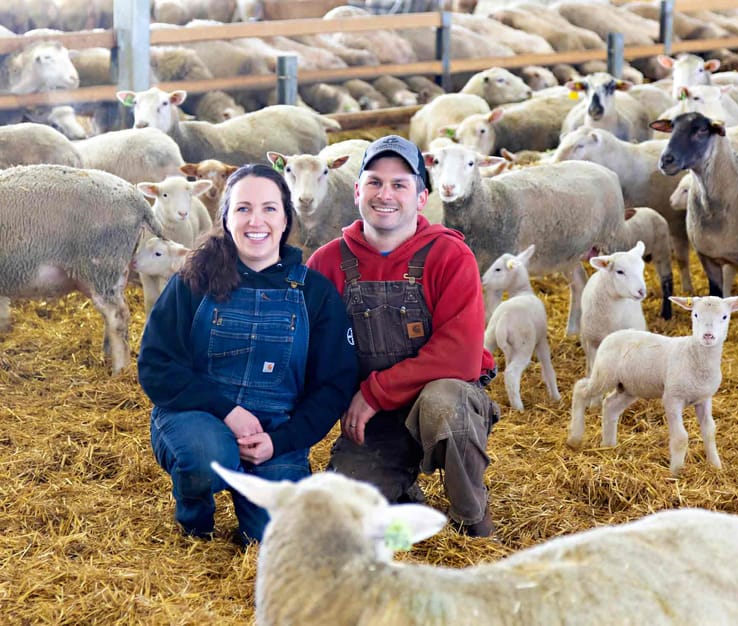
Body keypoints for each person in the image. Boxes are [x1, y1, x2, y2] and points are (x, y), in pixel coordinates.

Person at [138, 163, 358, 544]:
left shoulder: (315, 293)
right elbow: (157, 365)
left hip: (277, 430)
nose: (256, 220)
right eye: (243, 209)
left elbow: (333, 386)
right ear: (225, 217)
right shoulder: (194, 280)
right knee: (205, 458)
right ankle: (195, 520)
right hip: (200, 417)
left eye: (270, 209)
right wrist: (228, 412)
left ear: (286, 218)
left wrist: (283, 440)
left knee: (271, 540)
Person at [307, 135, 500, 537]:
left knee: (444, 403)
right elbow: (312, 353)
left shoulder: (449, 255)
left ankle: (471, 515)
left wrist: (374, 392)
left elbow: (460, 357)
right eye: (375, 182)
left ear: (421, 196)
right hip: (371, 420)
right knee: (346, 520)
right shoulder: (327, 262)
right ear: (357, 190)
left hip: (442, 400)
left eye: (400, 184)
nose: (385, 194)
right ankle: (400, 489)